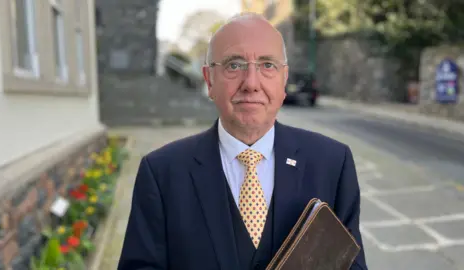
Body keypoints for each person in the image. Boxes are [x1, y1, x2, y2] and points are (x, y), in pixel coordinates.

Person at [117, 12, 368, 270]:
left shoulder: (333, 163)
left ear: (284, 80)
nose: (251, 83)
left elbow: (351, 265)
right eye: (234, 65)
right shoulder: (161, 173)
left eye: (267, 65)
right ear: (209, 80)